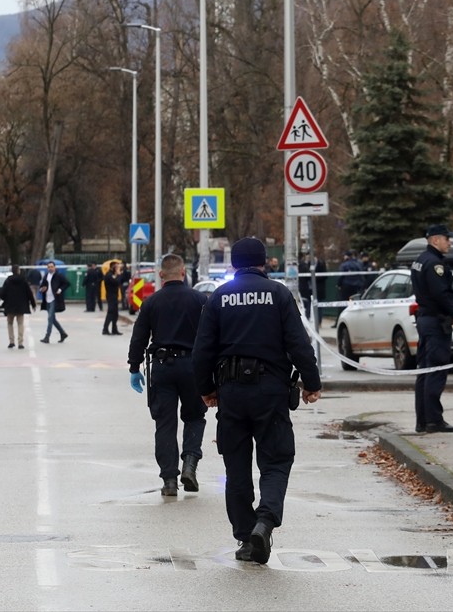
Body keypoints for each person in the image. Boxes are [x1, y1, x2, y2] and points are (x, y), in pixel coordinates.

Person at [192, 237, 322, 565]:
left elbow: (202, 350)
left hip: (231, 393)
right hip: (271, 391)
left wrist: (206, 389)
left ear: (233, 264)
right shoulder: (279, 294)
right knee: (276, 460)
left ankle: (245, 537)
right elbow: (299, 344)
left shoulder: (219, 296)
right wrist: (311, 383)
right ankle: (265, 522)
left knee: (236, 466)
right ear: (264, 262)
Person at [128, 253, 208, 497]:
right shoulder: (199, 300)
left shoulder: (151, 302)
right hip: (193, 367)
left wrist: (134, 367)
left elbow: (139, 337)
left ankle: (170, 480)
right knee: (195, 417)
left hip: (163, 367)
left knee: (165, 424)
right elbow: (211, 336)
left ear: (161, 275)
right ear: (183, 272)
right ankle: (190, 464)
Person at [411, 224, 453, 434]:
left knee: (425, 370)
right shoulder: (434, 264)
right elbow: (440, 293)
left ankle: (423, 420)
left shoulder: (421, 260)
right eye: (447, 239)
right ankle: (433, 420)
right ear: (435, 240)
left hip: (426, 320)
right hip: (436, 322)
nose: (450, 243)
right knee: (436, 370)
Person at [0, 266, 36, 349]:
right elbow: (29, 293)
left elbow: (3, 292)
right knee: (20, 323)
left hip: (10, 305)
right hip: (21, 306)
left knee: (10, 323)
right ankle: (20, 342)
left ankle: (11, 342)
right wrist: (33, 304)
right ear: (18, 271)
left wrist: (0, 295)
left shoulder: (8, 280)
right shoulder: (23, 280)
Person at [38, 261, 69, 344]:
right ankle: (63, 333)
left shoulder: (59, 275)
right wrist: (41, 289)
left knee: (50, 317)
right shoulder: (46, 275)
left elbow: (66, 283)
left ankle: (47, 336)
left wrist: (60, 289)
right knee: (52, 319)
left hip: (55, 299)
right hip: (47, 299)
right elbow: (42, 285)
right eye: (48, 267)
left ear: (55, 267)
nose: (50, 268)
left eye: (51, 267)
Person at [297, 250, 327, 327]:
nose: (309, 258)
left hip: (318, 288)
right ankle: (308, 319)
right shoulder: (306, 264)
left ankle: (319, 322)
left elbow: (325, 275)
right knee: (307, 304)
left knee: (319, 305)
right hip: (308, 289)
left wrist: (314, 278)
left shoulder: (321, 263)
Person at [102, 261, 124, 336]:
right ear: (112, 267)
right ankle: (105, 329)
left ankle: (114, 329)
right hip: (111, 296)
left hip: (114, 295)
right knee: (111, 312)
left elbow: (120, 281)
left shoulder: (113, 275)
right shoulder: (109, 275)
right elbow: (116, 282)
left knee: (115, 313)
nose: (118, 268)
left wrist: (119, 275)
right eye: (116, 267)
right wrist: (119, 275)